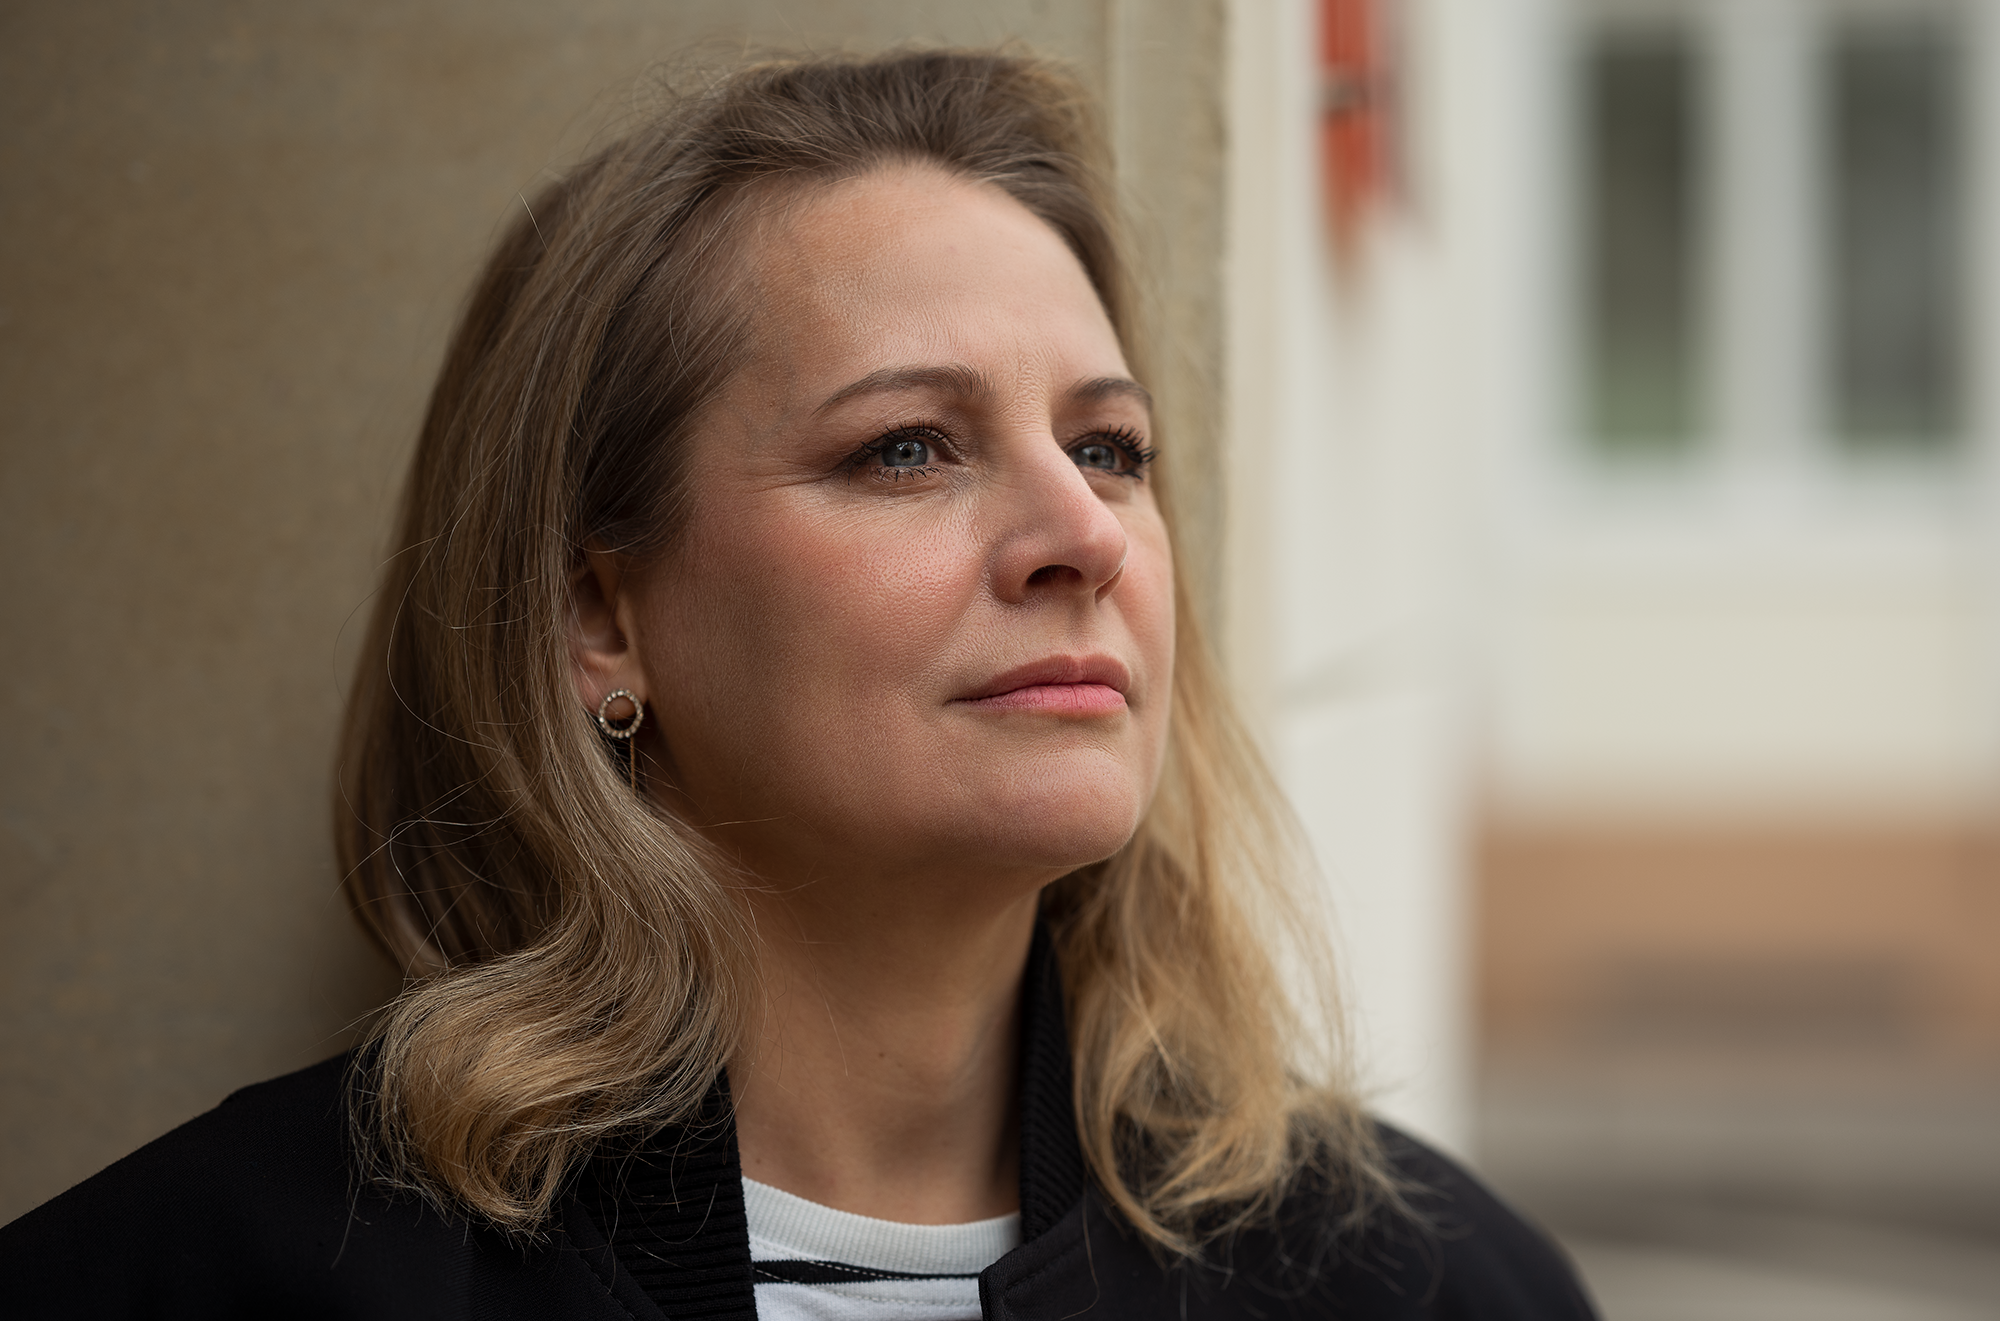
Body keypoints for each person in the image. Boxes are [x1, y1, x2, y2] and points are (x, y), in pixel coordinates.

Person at [0, 48, 1596, 1319]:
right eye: (907, 447)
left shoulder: (1427, 1287)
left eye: (1110, 448)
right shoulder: (208, 1282)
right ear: (599, 616)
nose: (1083, 537)